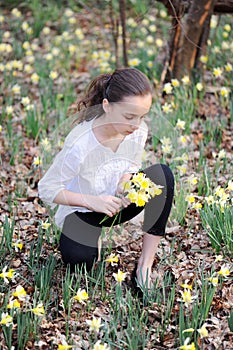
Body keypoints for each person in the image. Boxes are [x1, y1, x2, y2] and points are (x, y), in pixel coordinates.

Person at [38, 67, 174, 290]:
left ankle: (144, 267)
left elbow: (129, 166)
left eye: (142, 117)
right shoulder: (80, 143)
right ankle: (92, 242)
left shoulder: (137, 131)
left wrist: (125, 184)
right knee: (79, 260)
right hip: (84, 211)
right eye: (129, 116)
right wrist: (92, 201)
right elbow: (47, 188)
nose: (136, 125)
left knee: (163, 176)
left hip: (117, 203)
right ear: (107, 106)